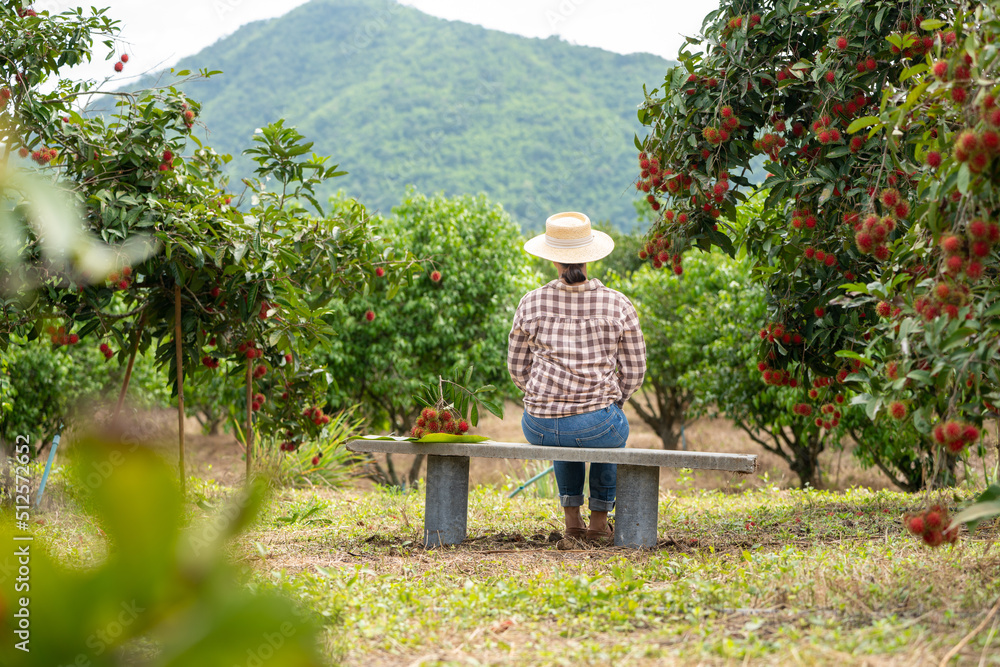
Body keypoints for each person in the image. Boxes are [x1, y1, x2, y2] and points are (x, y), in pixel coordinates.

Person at [507, 212, 646, 542]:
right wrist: (613, 401)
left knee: (564, 429)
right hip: (595, 424)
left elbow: (516, 367)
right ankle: (598, 521)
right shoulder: (617, 304)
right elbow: (636, 371)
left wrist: (545, 397)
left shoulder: (531, 302)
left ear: (553, 259)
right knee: (613, 429)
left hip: (537, 425)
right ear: (590, 257)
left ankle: (572, 519)